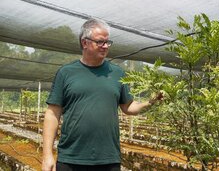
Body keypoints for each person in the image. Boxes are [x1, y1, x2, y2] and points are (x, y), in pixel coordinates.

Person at [42, 18, 163, 171]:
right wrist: (47, 155)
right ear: (84, 42)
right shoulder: (66, 73)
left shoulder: (117, 73)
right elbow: (53, 113)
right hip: (71, 158)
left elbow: (128, 107)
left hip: (108, 159)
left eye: (108, 42)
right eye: (100, 42)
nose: (105, 46)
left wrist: (150, 102)